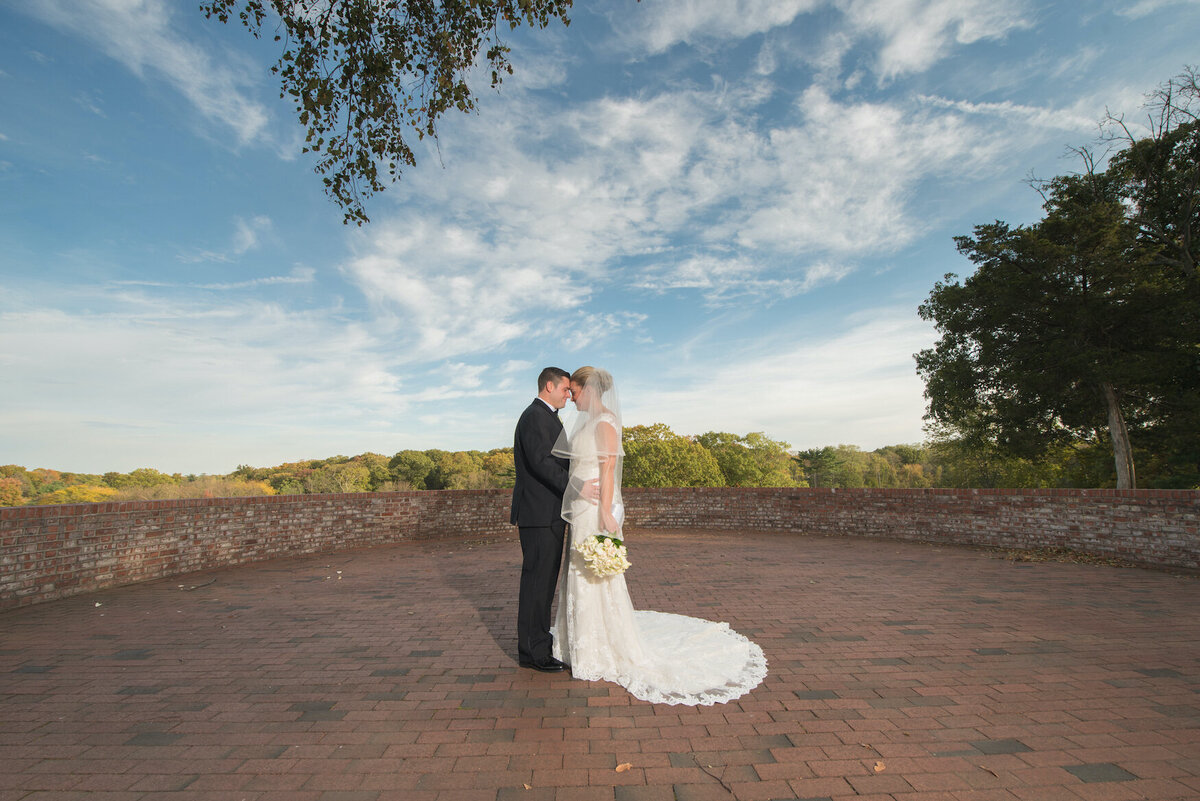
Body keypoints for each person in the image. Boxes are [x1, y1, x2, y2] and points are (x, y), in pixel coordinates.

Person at [551, 366, 768, 705]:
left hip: (594, 510)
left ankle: (597, 648)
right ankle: (576, 642)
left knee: (592, 572)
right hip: (580, 507)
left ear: (587, 389)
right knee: (578, 570)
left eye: (575, 391)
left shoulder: (605, 423)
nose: (572, 397)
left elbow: (608, 471)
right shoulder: (585, 422)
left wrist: (606, 512)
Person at [510, 366, 574, 672]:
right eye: (565, 389)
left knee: (543, 584)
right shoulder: (535, 416)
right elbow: (541, 463)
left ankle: (537, 644)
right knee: (537, 585)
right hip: (539, 514)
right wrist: (577, 486)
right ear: (549, 385)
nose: (569, 395)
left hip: (547, 513)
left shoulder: (546, 416)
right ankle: (534, 654)